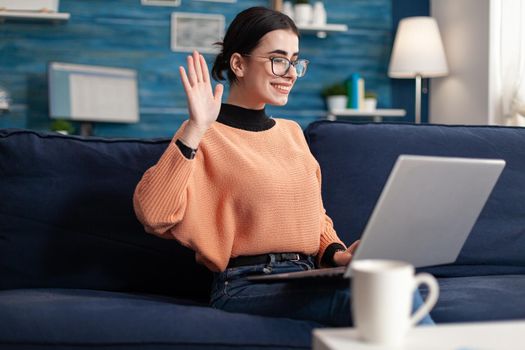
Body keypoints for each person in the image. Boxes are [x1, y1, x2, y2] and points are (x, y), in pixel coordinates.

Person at [133, 6, 434, 326]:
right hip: (245, 285)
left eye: (295, 61)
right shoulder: (204, 134)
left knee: (396, 288)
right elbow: (153, 215)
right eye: (278, 59)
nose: (290, 72)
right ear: (238, 64)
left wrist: (337, 255)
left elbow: (316, 219)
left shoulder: (292, 133)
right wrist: (195, 127)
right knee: (382, 300)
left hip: (306, 275)